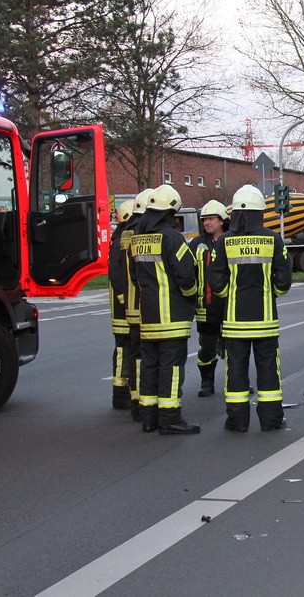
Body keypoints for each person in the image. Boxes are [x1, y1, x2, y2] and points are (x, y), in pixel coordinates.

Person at [208, 185, 293, 432]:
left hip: (235, 323)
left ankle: (236, 421)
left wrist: (229, 297)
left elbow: (216, 281)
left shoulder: (223, 242)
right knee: (268, 372)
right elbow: (284, 280)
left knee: (235, 372)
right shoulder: (273, 240)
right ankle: (271, 420)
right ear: (260, 212)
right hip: (266, 321)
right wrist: (271, 294)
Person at [131, 185, 200, 435]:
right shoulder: (172, 237)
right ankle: (170, 418)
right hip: (171, 317)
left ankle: (149, 418)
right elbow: (186, 277)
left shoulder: (137, 238)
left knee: (150, 366)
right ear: (170, 210)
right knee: (170, 368)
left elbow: (133, 275)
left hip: (147, 317)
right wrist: (193, 297)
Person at [120, 188, 154, 423]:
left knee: (136, 355)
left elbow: (118, 273)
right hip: (146, 307)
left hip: (133, 306)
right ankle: (143, 404)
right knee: (145, 357)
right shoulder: (143, 235)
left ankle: (137, 402)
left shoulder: (123, 236)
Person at [190, 200, 229, 397]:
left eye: (211, 218)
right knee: (206, 348)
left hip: (230, 304)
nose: (206, 223)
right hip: (206, 306)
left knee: (234, 347)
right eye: (204, 219)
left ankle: (235, 383)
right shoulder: (197, 244)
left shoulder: (232, 240)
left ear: (222, 220)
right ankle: (207, 382)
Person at [108, 200, 136, 410]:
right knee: (123, 350)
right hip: (123, 309)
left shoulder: (118, 238)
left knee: (123, 349)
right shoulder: (121, 242)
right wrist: (125, 301)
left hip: (122, 308)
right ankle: (120, 394)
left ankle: (122, 391)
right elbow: (118, 277)